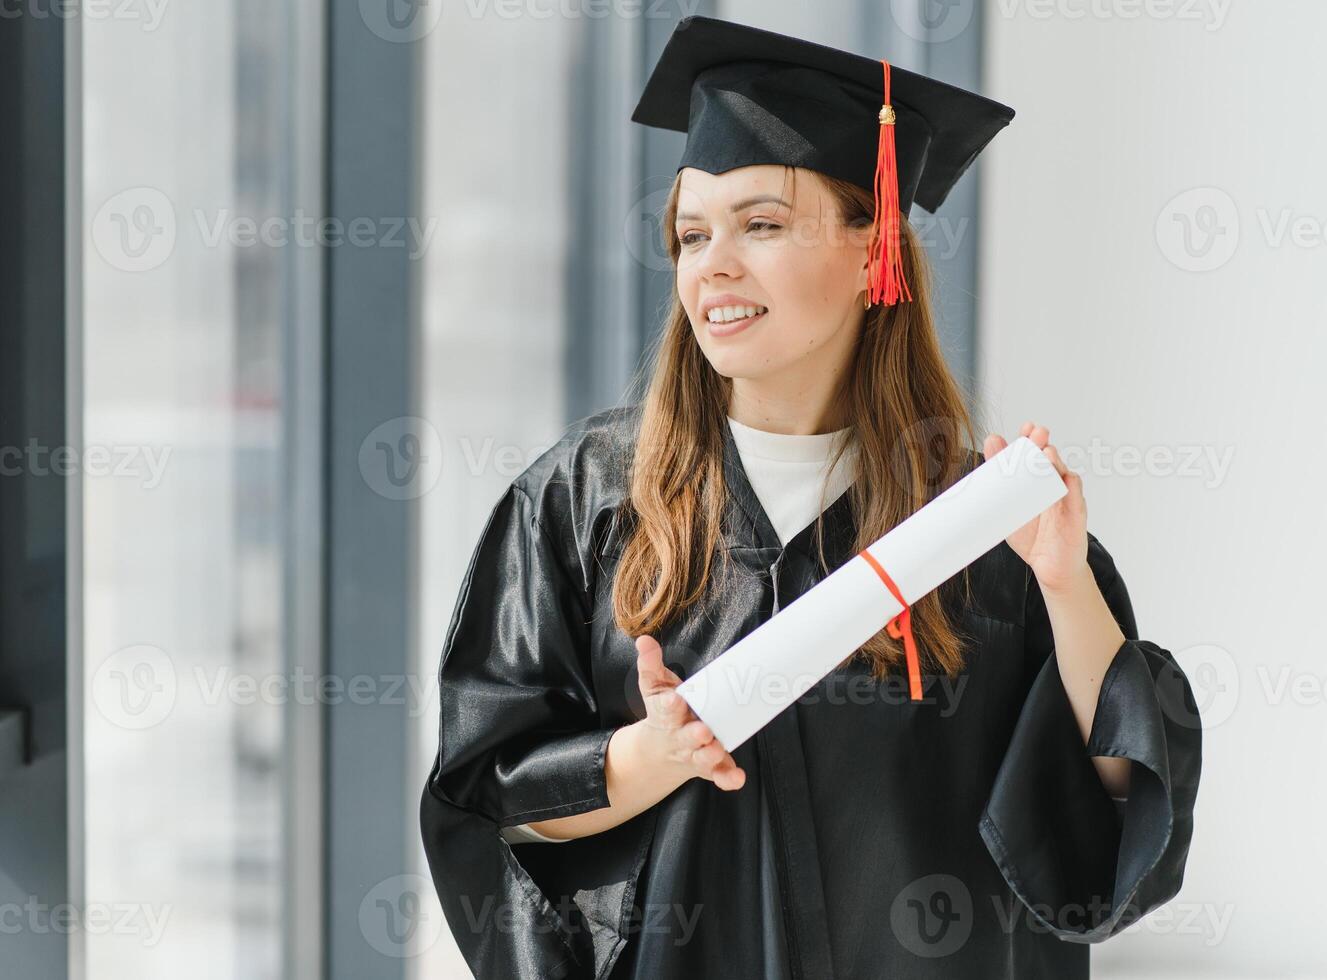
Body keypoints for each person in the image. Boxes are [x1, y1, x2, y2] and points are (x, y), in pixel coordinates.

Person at [420, 15, 1201, 980]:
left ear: (873, 243)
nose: (712, 265)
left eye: (762, 224)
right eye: (691, 233)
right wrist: (652, 756)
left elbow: (1112, 815)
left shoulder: (969, 520)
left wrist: (1065, 582)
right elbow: (490, 801)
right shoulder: (587, 501)